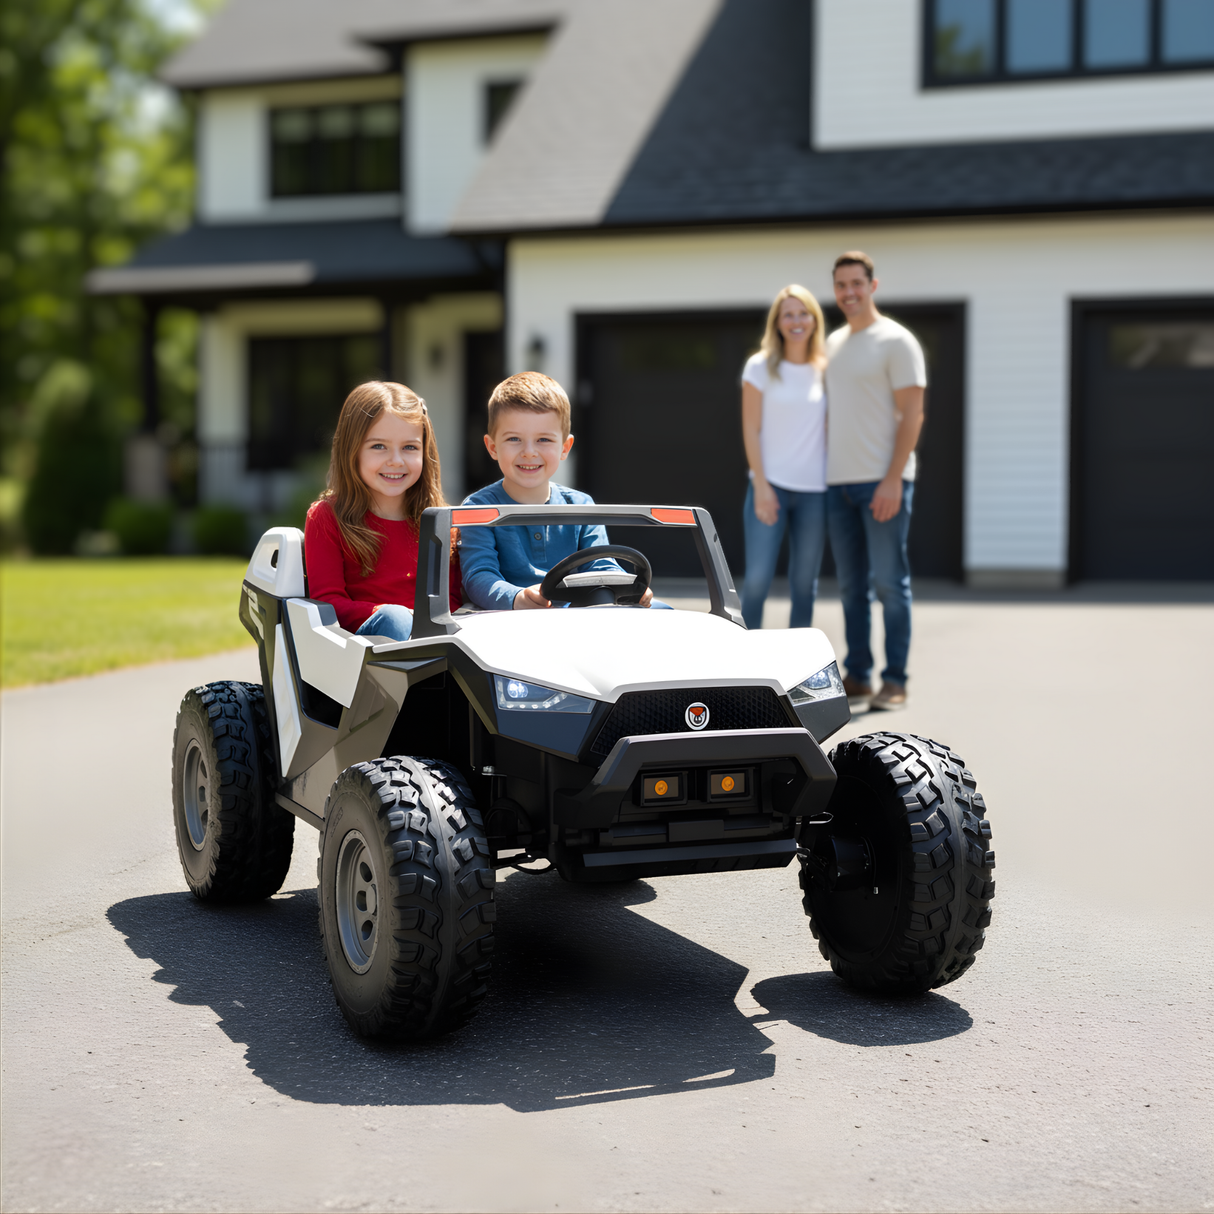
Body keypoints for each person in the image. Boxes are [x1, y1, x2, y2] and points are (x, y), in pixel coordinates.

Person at [459, 371, 662, 610]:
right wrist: (517, 598)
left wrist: (627, 587)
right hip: (507, 621)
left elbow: (601, 566)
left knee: (663, 613)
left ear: (565, 448)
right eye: (514, 439)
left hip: (576, 617)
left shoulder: (581, 505)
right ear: (492, 447)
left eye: (543, 440)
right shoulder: (478, 508)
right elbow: (479, 576)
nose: (529, 452)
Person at [824, 251, 926, 710]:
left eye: (856, 284)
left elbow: (913, 414)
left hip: (883, 483)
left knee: (889, 583)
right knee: (851, 587)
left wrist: (891, 479)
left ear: (872, 286)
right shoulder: (833, 344)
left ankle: (896, 679)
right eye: (841, 285)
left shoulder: (897, 341)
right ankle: (859, 675)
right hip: (836, 484)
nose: (849, 292)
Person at [304, 380, 461, 643]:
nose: (396, 461)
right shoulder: (326, 517)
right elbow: (328, 603)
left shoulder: (440, 521)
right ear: (352, 451)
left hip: (434, 647)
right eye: (379, 446)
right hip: (361, 655)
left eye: (410, 447)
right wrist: (400, 616)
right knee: (395, 619)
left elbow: (452, 601)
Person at [740, 284, 829, 630]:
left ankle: (799, 669)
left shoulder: (826, 369)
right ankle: (744, 666)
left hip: (816, 492)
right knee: (758, 580)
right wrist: (761, 485)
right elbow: (751, 429)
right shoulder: (759, 367)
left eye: (803, 312)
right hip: (769, 486)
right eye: (788, 314)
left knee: (805, 585)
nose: (796, 320)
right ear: (777, 322)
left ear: (814, 320)